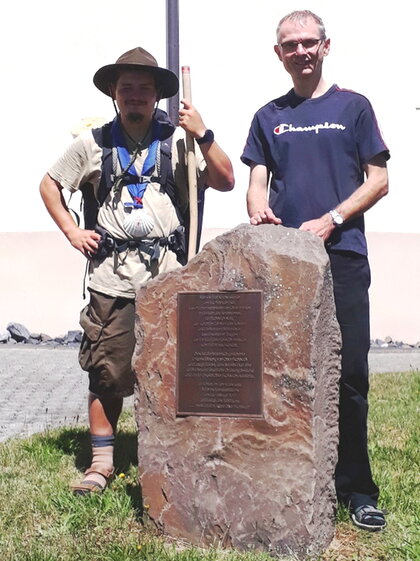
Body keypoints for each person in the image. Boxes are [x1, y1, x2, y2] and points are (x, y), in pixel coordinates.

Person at [40, 47, 234, 495]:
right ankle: (102, 464)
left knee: (175, 374)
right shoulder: (94, 143)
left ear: (157, 96)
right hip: (112, 280)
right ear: (114, 92)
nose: (134, 96)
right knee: (107, 373)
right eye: (126, 87)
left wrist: (203, 134)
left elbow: (225, 180)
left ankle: (168, 455)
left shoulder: (179, 140)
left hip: (169, 281)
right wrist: (73, 232)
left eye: (144, 89)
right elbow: (49, 184)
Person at [241, 10, 388, 531]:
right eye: (290, 44)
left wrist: (332, 218)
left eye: (309, 42)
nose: (300, 51)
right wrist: (257, 208)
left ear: (326, 46)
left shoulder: (354, 107)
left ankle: (356, 489)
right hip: (285, 265)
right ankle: (288, 478)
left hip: (342, 259)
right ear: (277, 54)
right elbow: (256, 179)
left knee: (348, 376)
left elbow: (378, 180)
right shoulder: (268, 115)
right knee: (281, 377)